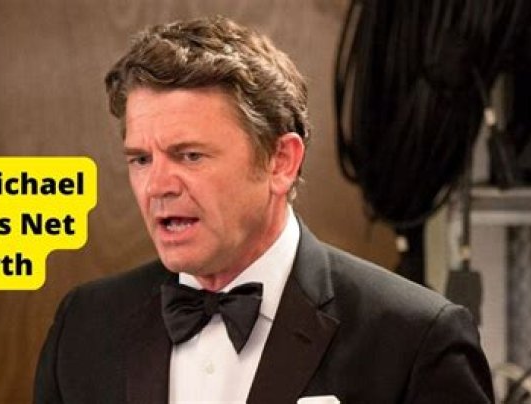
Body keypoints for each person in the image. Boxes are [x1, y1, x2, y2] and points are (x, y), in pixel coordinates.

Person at [34, 15, 494, 403]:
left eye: (190, 156)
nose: (156, 186)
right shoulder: (84, 324)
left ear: (281, 162)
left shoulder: (415, 339)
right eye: (140, 159)